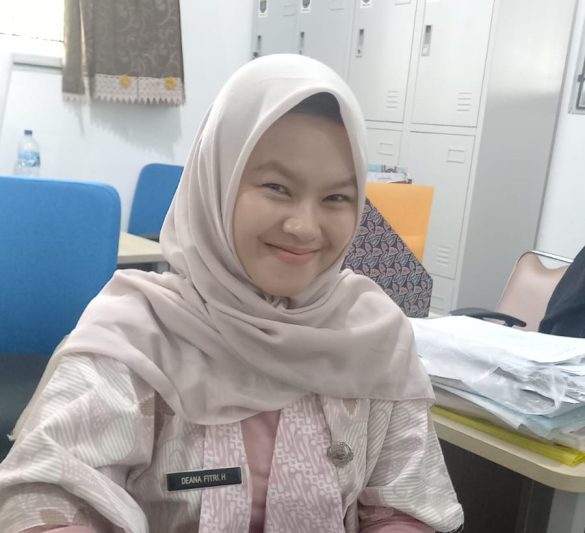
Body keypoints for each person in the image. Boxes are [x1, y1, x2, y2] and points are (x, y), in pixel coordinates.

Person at [0, 54, 463, 533]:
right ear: (216, 181)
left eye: (335, 198)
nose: (305, 227)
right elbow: (47, 493)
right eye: (277, 187)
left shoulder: (374, 335)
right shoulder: (139, 331)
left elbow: (403, 506)